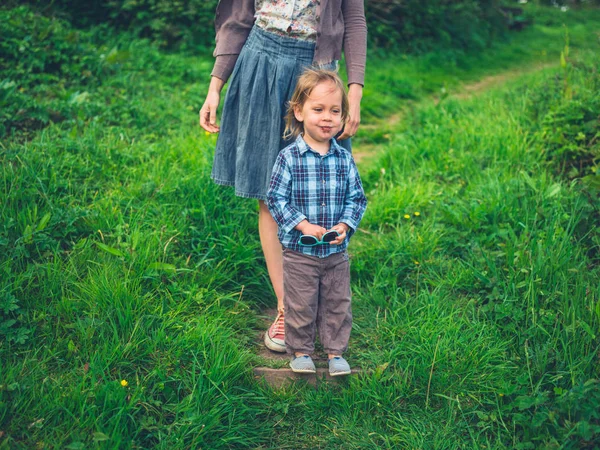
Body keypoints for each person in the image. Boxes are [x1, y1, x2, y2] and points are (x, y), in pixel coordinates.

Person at [199, 1, 367, 353]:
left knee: (322, 190)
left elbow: (353, 19)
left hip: (315, 72)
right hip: (259, 63)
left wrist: (354, 89)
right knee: (269, 193)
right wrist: (215, 85)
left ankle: (321, 301)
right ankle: (286, 307)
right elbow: (238, 18)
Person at [266, 69, 367, 375]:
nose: (327, 118)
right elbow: (275, 199)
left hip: (335, 252)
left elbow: (357, 199)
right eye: (318, 110)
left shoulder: (343, 159)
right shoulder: (289, 158)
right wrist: (302, 225)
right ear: (299, 112)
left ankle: (336, 352)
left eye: (335, 111)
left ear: (343, 117)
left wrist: (345, 226)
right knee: (301, 303)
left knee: (338, 302)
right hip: (300, 251)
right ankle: (301, 351)